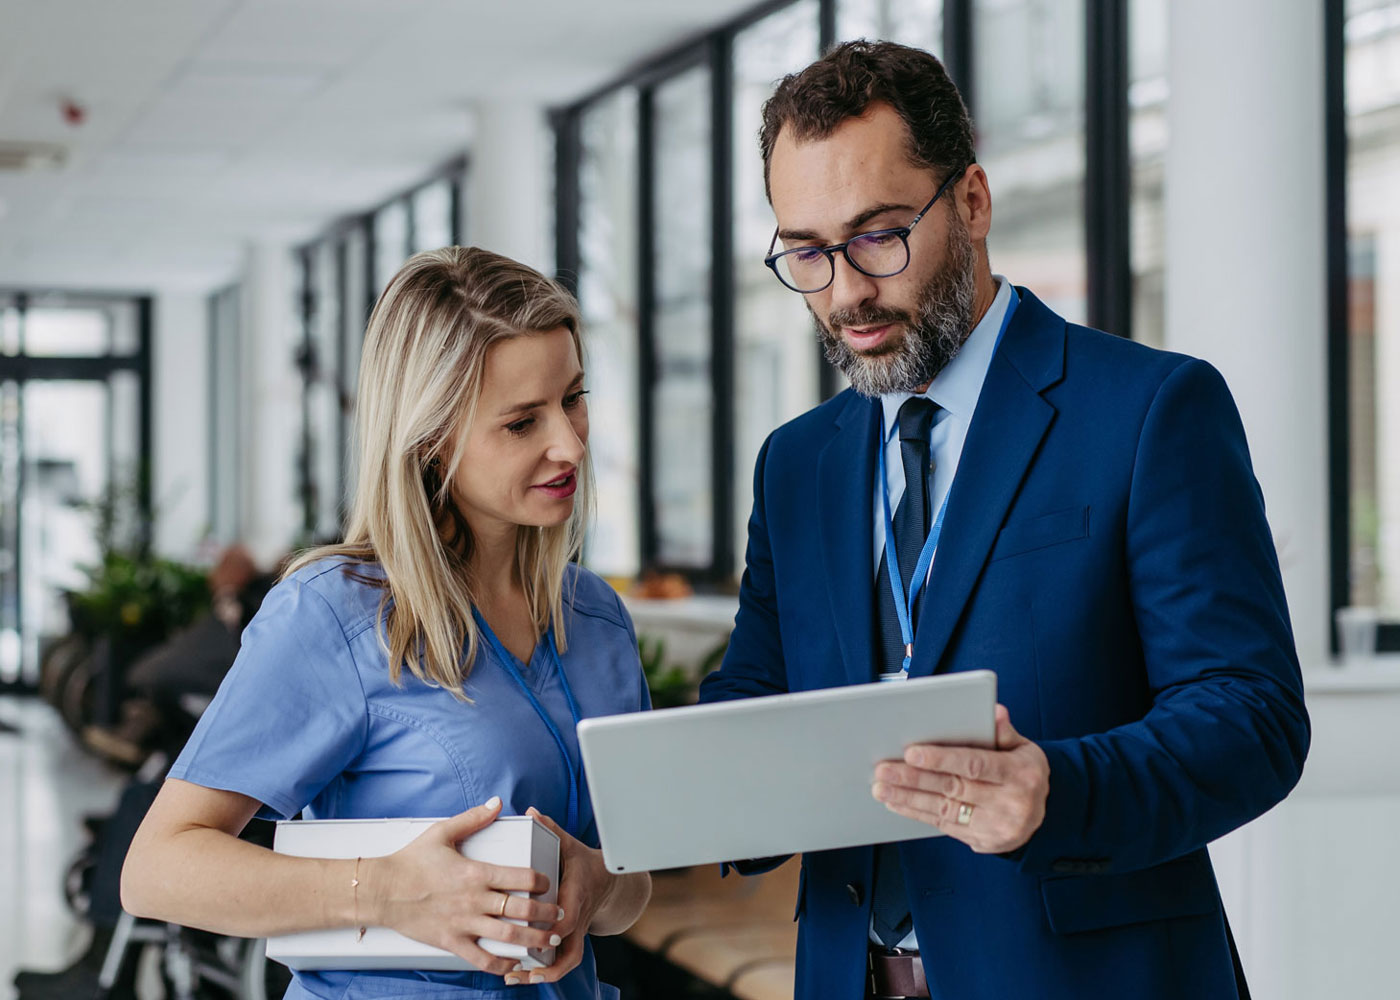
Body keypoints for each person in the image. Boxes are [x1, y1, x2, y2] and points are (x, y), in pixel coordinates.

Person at [698, 40, 1309, 1000]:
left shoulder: (1149, 410)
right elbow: (759, 694)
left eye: (878, 236)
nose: (847, 291)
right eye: (808, 254)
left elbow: (1252, 717)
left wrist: (1058, 791)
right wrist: (665, 794)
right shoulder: (797, 463)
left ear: (972, 202)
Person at [121, 247, 652, 1000]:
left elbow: (630, 887)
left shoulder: (596, 621)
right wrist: (385, 893)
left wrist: (599, 886)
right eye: (521, 422)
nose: (568, 443)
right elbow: (155, 872)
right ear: (432, 442)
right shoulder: (337, 612)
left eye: (572, 398)